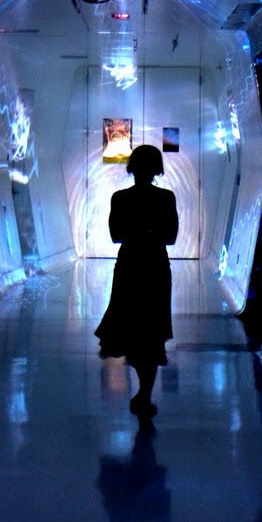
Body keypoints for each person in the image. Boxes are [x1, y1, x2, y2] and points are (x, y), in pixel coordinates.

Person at [94, 145, 179, 418]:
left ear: (132, 167)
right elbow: (171, 237)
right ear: (157, 169)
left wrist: (136, 230)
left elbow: (115, 235)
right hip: (155, 266)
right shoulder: (166, 198)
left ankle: (143, 393)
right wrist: (151, 231)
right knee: (151, 330)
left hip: (130, 265)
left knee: (132, 326)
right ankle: (144, 394)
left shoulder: (120, 198)